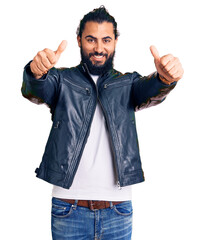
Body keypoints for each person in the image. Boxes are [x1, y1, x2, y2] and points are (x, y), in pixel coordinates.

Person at [21, 6, 183, 240]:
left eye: (106, 40)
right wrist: (35, 73)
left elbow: (152, 89)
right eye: (91, 39)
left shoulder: (128, 84)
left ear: (115, 41)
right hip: (68, 209)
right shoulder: (61, 80)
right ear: (79, 40)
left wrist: (165, 78)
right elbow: (36, 89)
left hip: (118, 210)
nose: (99, 48)